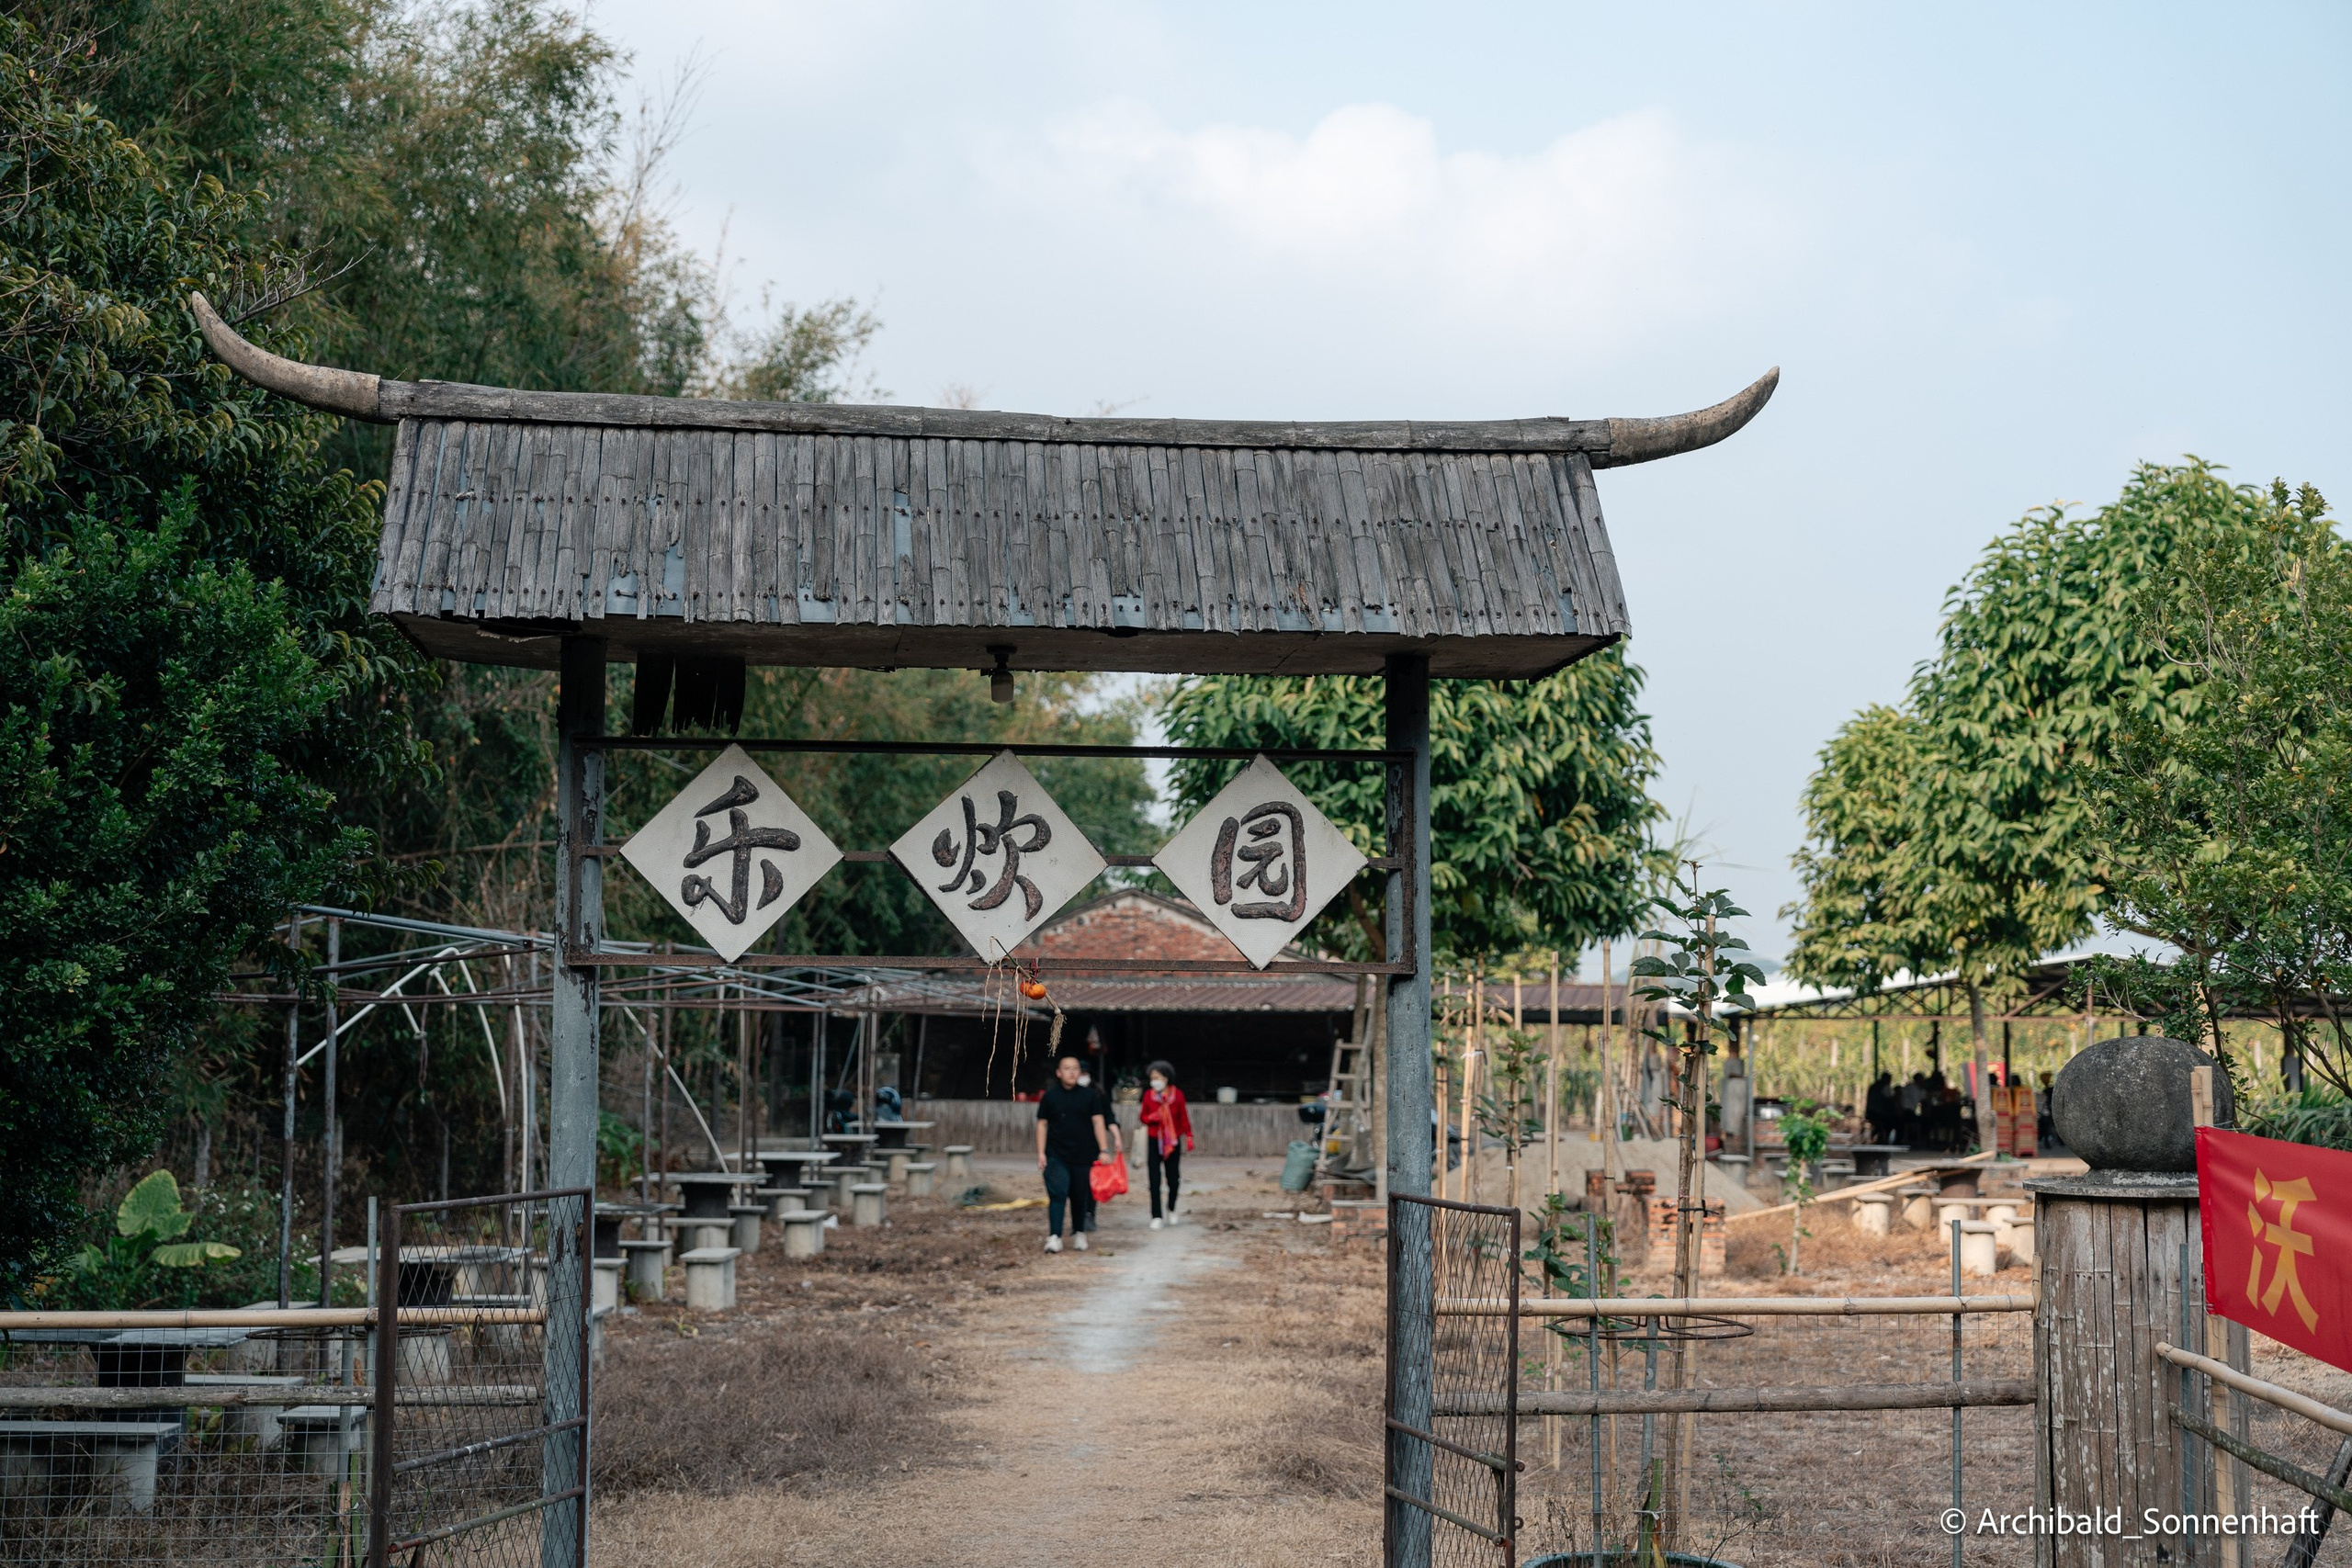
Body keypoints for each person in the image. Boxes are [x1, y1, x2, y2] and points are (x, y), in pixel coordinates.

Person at [1035, 1055, 1112, 1253]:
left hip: (1084, 1154)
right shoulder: (1050, 1096)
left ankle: (1079, 1232)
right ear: (1059, 1073)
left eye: (1075, 1068)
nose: (1072, 1072)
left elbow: (1098, 1122)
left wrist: (1104, 1149)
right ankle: (1054, 1236)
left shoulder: (1090, 1096)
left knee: (1080, 1196)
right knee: (1058, 1194)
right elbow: (1042, 1124)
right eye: (1067, 1068)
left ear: (1080, 1072)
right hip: (1055, 1153)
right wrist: (1041, 1153)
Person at [1137, 1060, 1193, 1229]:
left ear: (1166, 1078)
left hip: (1172, 1141)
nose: (1154, 1081)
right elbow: (1143, 1117)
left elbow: (1183, 1117)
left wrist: (1189, 1135)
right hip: (1154, 1139)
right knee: (1154, 1179)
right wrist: (1151, 1118)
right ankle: (1156, 1215)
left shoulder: (1178, 1095)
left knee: (1173, 1179)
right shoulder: (1148, 1095)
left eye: (1157, 1077)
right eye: (1152, 1078)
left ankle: (1171, 1208)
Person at [1076, 1070, 1123, 1235]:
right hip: (1071, 1144)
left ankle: (1089, 1214)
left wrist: (1116, 1138)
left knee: (1091, 1181)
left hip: (1093, 1144)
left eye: (1082, 1072)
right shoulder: (1065, 1094)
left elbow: (1109, 1118)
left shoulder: (1097, 1095)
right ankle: (1078, 1215)